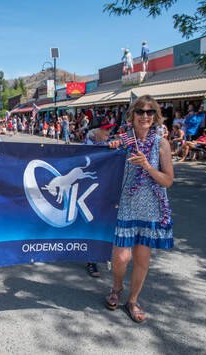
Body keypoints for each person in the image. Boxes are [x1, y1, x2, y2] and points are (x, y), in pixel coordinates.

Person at [105, 95, 174, 323]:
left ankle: (133, 300)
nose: (145, 116)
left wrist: (147, 166)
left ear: (155, 116)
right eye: (141, 111)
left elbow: (167, 181)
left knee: (143, 259)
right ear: (132, 115)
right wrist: (111, 146)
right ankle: (116, 288)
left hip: (151, 208)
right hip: (126, 205)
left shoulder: (161, 143)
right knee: (121, 258)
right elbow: (98, 139)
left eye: (150, 112)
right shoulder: (123, 140)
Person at [84, 119, 117, 277]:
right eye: (105, 130)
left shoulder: (111, 146)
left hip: (104, 191)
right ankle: (91, 260)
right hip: (87, 193)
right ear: (94, 132)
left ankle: (97, 256)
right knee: (91, 224)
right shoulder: (84, 148)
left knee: (100, 223)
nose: (108, 133)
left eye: (109, 130)